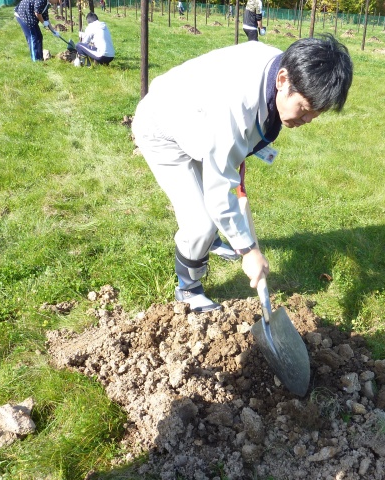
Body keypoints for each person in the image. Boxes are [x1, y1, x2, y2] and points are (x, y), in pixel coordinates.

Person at [131, 35, 353, 312]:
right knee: (200, 221)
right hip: (163, 127)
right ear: (283, 80)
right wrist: (249, 251)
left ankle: (212, 241)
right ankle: (188, 289)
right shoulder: (238, 106)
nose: (307, 120)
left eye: (315, 114)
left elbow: (230, 166)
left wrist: (247, 243)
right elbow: (220, 185)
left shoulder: (284, 68)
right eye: (306, 109)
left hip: (199, 119)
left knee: (213, 208)